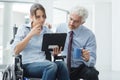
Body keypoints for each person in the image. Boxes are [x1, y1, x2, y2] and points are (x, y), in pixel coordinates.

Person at [12, 3, 70, 80]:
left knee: (61, 65)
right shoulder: (24, 29)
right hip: (28, 65)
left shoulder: (46, 30)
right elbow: (15, 50)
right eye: (38, 17)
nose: (42, 19)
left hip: (44, 63)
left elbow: (51, 49)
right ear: (31, 17)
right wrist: (30, 34)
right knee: (51, 66)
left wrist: (54, 53)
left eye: (43, 16)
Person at [56, 6, 99, 80]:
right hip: (63, 65)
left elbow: (92, 61)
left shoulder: (89, 35)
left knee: (92, 73)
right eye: (71, 19)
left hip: (80, 67)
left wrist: (88, 59)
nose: (71, 23)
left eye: (76, 21)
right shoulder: (60, 27)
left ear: (82, 22)